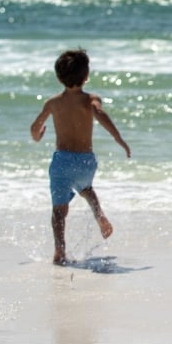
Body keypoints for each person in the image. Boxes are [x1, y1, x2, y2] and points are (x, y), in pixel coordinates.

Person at [30, 49, 131, 265]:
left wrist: (38, 135)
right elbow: (100, 114)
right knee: (87, 189)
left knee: (59, 211)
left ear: (59, 77)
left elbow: (34, 128)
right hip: (85, 162)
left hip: (61, 162)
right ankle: (99, 216)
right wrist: (118, 139)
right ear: (86, 76)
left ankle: (59, 250)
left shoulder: (53, 103)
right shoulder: (91, 100)